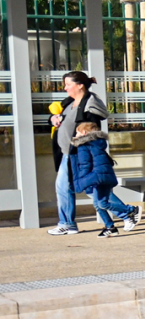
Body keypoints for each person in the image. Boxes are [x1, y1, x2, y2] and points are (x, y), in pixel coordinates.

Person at [48, 71, 108, 235]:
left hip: (77, 154)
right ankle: (68, 223)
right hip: (66, 153)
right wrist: (54, 118)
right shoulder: (69, 102)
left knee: (88, 188)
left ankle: (126, 212)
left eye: (68, 84)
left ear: (80, 85)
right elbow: (56, 117)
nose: (65, 87)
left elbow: (92, 133)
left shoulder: (90, 105)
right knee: (66, 187)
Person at [69, 121, 140, 237]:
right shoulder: (98, 143)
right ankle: (110, 227)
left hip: (97, 177)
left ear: (83, 132)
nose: (75, 135)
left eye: (77, 132)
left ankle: (130, 210)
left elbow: (85, 164)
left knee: (102, 204)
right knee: (98, 204)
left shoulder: (84, 145)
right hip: (104, 176)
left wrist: (81, 180)